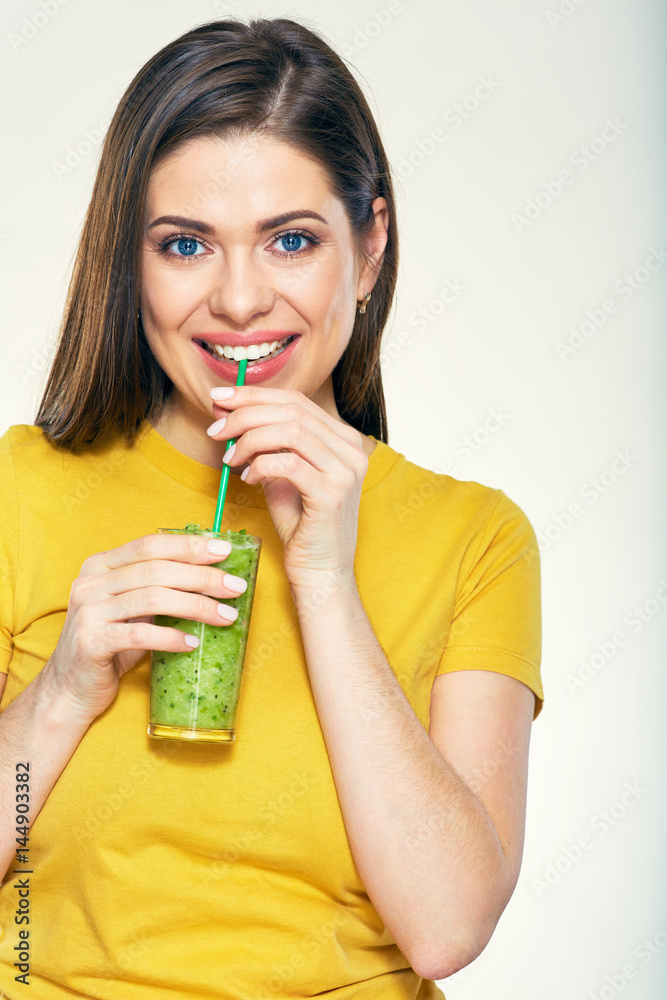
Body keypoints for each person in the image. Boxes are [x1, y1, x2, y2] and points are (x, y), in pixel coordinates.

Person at [0, 16, 543, 999]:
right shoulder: (20, 489)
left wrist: (325, 580)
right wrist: (65, 691)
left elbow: (446, 927)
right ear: (131, 265)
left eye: (292, 241)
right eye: (185, 245)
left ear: (369, 249)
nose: (240, 300)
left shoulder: (475, 539)